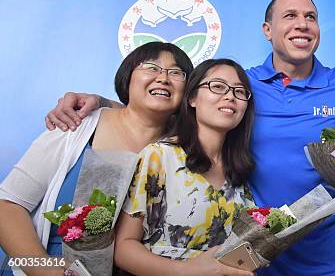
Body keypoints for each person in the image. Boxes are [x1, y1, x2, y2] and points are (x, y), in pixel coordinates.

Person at [44, 0, 335, 276]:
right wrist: (103, 105)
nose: (302, 24)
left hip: (327, 251)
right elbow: (183, 108)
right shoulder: (245, 83)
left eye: (311, 17)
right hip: (255, 258)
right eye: (290, 16)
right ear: (267, 30)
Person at [0, 42, 194, 276]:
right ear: (127, 77)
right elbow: (8, 205)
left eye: (175, 72)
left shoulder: (184, 151)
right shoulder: (76, 124)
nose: (163, 77)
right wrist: (43, 268)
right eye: (151, 67)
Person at [114, 58, 256, 276]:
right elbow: (123, 248)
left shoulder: (239, 170)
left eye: (240, 92)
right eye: (217, 87)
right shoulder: (160, 156)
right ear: (192, 98)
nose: (230, 96)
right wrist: (185, 271)